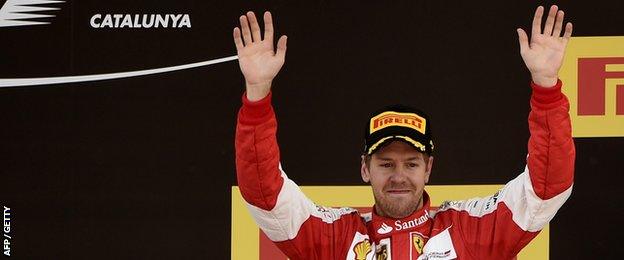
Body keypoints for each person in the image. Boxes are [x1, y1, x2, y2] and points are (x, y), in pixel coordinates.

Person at [233, 5, 575, 260]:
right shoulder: (335, 236)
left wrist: (546, 88)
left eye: (411, 163)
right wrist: (257, 94)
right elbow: (266, 196)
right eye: (386, 164)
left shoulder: (467, 229)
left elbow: (546, 189)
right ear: (365, 168)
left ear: (428, 168)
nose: (399, 176)